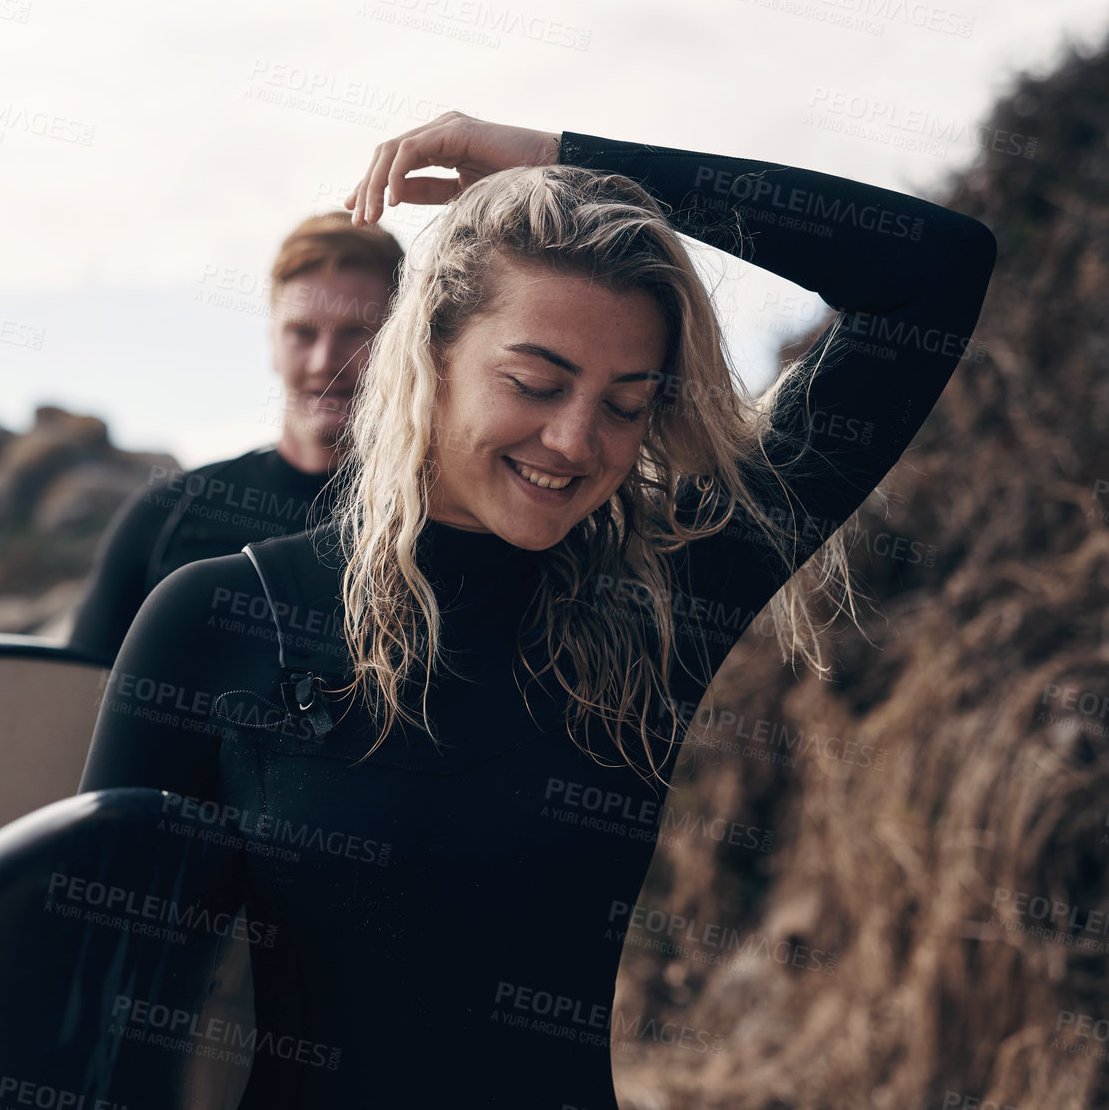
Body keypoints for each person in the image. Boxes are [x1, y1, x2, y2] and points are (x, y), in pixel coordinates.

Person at [77, 112, 997, 1107]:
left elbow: (936, 269)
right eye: (535, 382)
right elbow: (84, 1001)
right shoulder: (220, 618)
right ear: (427, 354)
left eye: (626, 402)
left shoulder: (658, 601)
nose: (573, 439)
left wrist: (570, 161)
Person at [66, 211, 403, 665]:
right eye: (302, 333)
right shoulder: (167, 517)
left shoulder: (435, 520)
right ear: (273, 345)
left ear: (402, 347)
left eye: (356, 333)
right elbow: (70, 701)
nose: (326, 361)